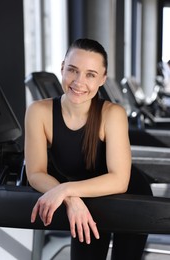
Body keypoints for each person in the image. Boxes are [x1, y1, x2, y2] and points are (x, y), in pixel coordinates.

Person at [24, 38, 150, 260]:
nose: (79, 82)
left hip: (129, 199)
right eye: (73, 70)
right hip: (85, 200)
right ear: (62, 68)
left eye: (91, 74)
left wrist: (65, 190)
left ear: (102, 79)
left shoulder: (113, 114)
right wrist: (71, 198)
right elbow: (35, 173)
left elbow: (119, 180)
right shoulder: (38, 112)